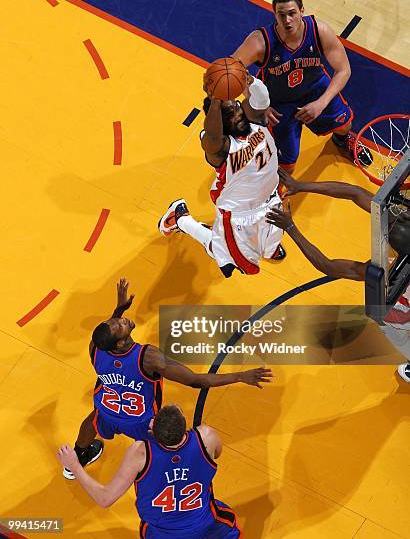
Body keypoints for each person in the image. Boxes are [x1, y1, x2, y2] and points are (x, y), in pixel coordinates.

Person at [63, 278, 272, 479]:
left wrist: (119, 309)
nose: (122, 321)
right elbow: (197, 381)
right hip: (143, 422)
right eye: (119, 325)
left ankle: (77, 458)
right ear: (119, 344)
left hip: (108, 410)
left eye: (117, 321)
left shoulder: (96, 349)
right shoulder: (148, 358)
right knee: (167, 451)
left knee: (92, 422)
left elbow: (104, 336)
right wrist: (240, 375)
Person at [266, 168, 410, 381]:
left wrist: (291, 228)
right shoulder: (400, 240)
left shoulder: (386, 270)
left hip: (403, 311)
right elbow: (354, 193)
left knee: (388, 319)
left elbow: (329, 267)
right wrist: (302, 186)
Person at [231, 0, 372, 174]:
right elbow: (233, 69)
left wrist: (321, 103)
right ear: (274, 14)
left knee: (345, 125)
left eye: (292, 13)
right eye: (282, 15)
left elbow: (343, 70)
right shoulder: (260, 41)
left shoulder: (319, 30)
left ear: (302, 11)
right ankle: (273, 192)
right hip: (279, 102)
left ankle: (342, 140)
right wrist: (259, 104)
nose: (288, 20)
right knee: (287, 165)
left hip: (315, 89)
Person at [158, 75, 286, 277]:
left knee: (274, 235)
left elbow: (262, 100)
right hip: (239, 213)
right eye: (231, 114)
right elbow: (212, 136)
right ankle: (181, 218)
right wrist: (216, 101)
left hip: (271, 196)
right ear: (221, 123)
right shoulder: (221, 148)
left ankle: (268, 247)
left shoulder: (253, 120)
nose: (238, 113)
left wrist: (247, 79)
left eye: (236, 107)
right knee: (228, 258)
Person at [58, 405, 242, 538]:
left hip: (162, 534)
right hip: (208, 527)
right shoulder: (206, 438)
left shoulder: (140, 453)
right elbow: (217, 454)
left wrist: (74, 465)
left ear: (153, 429)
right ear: (184, 428)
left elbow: (104, 498)